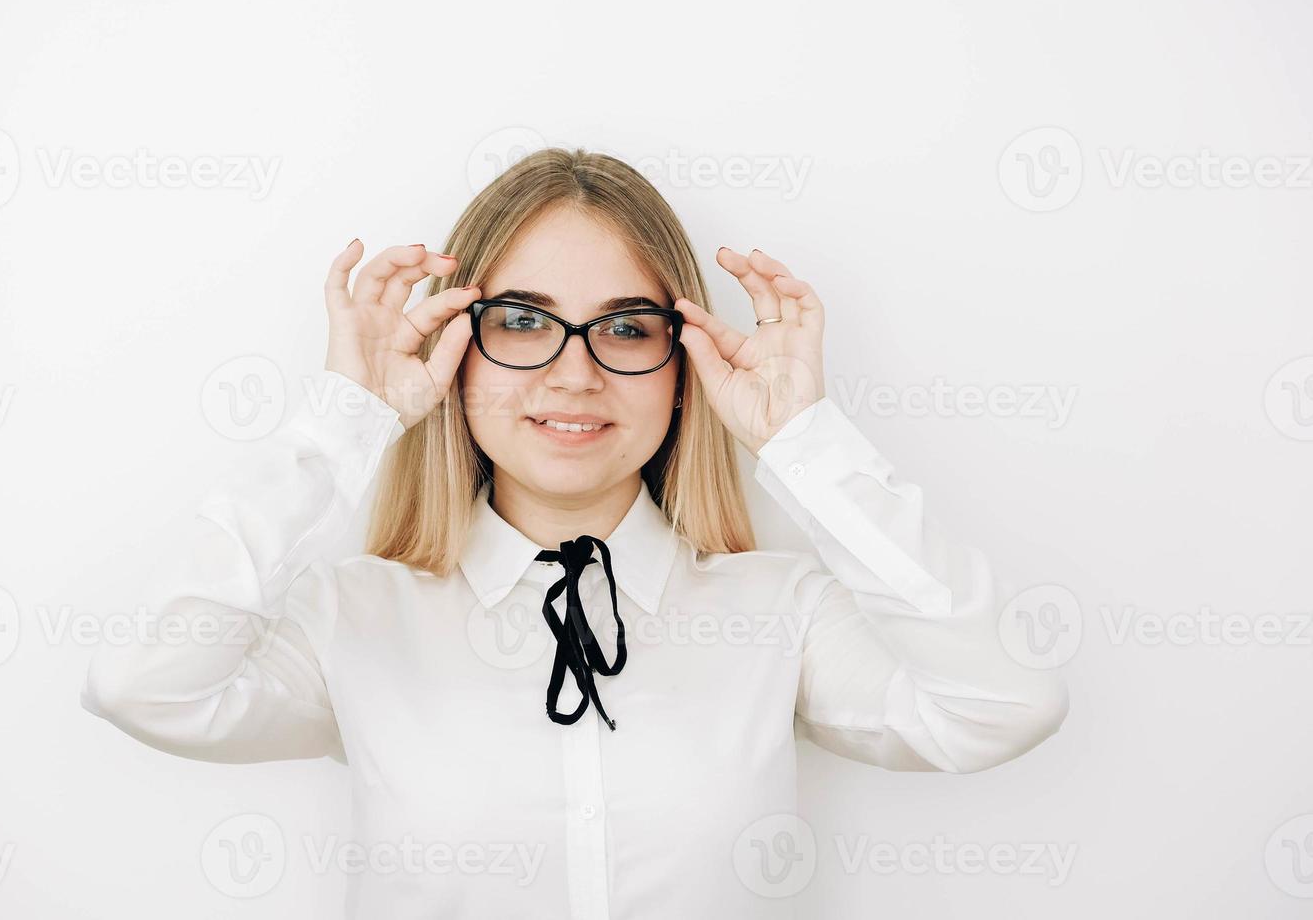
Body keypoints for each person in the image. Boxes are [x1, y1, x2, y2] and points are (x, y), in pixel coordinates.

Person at [80, 148, 1069, 918]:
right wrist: (349, 415)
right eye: (522, 320)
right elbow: (144, 686)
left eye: (628, 327)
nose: (574, 374)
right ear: (455, 351)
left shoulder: (776, 610)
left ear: (683, 367)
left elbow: (1001, 704)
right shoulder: (356, 612)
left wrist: (801, 441)